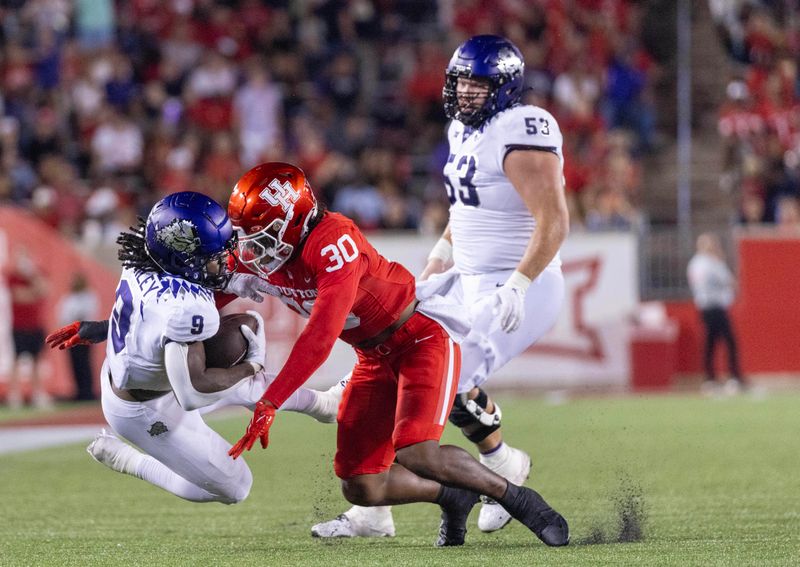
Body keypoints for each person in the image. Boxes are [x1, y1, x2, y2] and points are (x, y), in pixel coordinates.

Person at [226, 162, 569, 547]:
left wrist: (273, 399)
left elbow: (321, 336)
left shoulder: (333, 240)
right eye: (246, 236)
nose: (251, 249)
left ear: (294, 221)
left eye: (264, 235)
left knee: (418, 453)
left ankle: (521, 500)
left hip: (418, 339)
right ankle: (453, 496)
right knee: (361, 487)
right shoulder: (261, 254)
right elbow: (212, 292)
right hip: (372, 357)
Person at [313, 34, 569, 538]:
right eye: (460, 81)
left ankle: (492, 469)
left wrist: (519, 284)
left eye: (476, 83)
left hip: (516, 285)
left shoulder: (523, 127)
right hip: (466, 280)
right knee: (398, 356)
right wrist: (437, 260)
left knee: (429, 376)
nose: (464, 91)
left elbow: (555, 220)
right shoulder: (461, 130)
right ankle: (496, 462)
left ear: (504, 87)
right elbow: (467, 211)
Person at [46, 191, 341, 504]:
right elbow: (191, 393)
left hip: (149, 368)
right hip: (144, 407)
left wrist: (105, 327)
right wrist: (250, 366)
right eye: (211, 255)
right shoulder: (185, 308)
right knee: (236, 488)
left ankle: (324, 405)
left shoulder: (143, 257)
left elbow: (150, 315)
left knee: (245, 335)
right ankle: (130, 461)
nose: (222, 259)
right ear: (184, 258)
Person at [687, 233, 746, 394]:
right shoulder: (702, 263)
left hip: (717, 307)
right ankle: (714, 378)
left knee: (722, 342)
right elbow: (724, 281)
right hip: (710, 307)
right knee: (715, 343)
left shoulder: (709, 262)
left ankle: (727, 377)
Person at [5, 248, 51, 409]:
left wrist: (32, 276)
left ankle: (38, 394)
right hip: (19, 326)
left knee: (37, 360)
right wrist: (34, 293)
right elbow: (19, 296)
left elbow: (44, 290)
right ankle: (14, 395)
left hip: (36, 324)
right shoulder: (12, 277)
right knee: (17, 360)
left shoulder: (37, 274)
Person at [57, 273, 99, 401]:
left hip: (84, 334)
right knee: (74, 363)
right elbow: (62, 316)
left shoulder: (89, 296)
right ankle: (79, 391)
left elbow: (86, 315)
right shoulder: (68, 298)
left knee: (85, 362)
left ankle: (88, 391)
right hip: (71, 336)